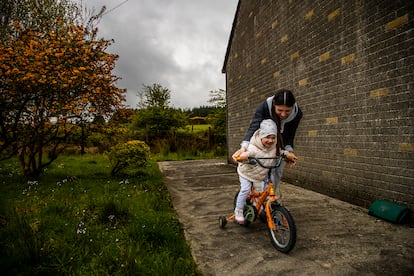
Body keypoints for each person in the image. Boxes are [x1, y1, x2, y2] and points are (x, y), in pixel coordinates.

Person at [232, 89, 303, 198]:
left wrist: (289, 152)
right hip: (262, 146)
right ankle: (257, 198)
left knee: (277, 171)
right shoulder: (264, 107)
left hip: (278, 146)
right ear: (274, 104)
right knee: (260, 171)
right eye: (279, 110)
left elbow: (290, 135)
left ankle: (270, 199)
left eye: (287, 111)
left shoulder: (297, 114)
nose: (283, 114)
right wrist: (243, 147)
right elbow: (254, 126)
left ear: (293, 106)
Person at [234, 119, 279, 224]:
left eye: (273, 137)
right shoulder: (253, 147)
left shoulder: (274, 147)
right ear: (261, 136)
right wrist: (244, 156)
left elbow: (280, 152)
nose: (270, 140)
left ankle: (258, 208)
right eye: (267, 137)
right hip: (247, 173)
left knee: (261, 192)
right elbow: (248, 153)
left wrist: (285, 155)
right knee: (245, 189)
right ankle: (239, 210)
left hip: (260, 175)